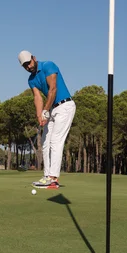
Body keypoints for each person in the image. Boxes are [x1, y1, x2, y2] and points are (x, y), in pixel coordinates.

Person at [18, 50, 76, 189]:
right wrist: (40, 116)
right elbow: (37, 98)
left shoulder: (48, 65)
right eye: (25, 66)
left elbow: (53, 89)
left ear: (34, 58)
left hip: (65, 106)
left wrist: (45, 111)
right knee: (45, 142)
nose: (28, 67)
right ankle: (46, 176)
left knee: (56, 141)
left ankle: (53, 178)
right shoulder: (31, 80)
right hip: (52, 109)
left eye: (29, 63)